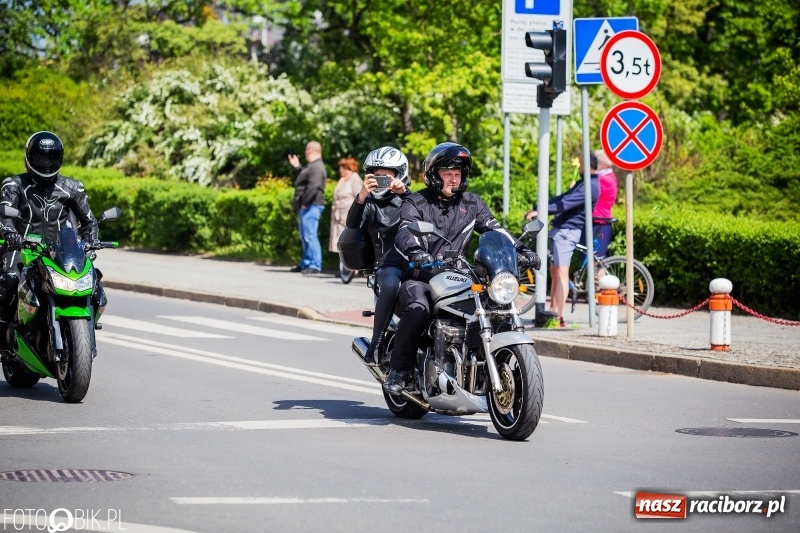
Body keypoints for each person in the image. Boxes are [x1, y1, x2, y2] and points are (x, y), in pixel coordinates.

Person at [384, 142, 540, 394]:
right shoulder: (417, 202)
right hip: (422, 276)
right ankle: (399, 371)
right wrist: (417, 253)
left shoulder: (472, 204)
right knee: (417, 309)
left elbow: (494, 229)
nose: (454, 180)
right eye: (448, 174)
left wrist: (521, 250)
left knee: (494, 307)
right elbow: (404, 231)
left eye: (458, 174)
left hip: (459, 275)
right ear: (434, 175)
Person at [0, 131, 99, 344]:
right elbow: (4, 215)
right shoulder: (14, 184)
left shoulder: (73, 187)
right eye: (41, 157)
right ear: (29, 157)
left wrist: (91, 241)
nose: (46, 162)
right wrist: (11, 234)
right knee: (8, 284)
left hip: (58, 252)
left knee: (95, 283)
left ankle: (81, 331)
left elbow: (90, 222)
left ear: (60, 159)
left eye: (51, 157)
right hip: (22, 248)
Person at [345, 146, 410, 366]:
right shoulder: (370, 204)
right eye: (377, 176)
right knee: (391, 285)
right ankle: (376, 345)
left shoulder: (411, 199)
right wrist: (362, 195)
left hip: (416, 262)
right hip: (387, 265)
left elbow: (428, 216)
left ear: (399, 176)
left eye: (387, 176)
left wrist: (405, 195)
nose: (382, 180)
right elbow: (352, 224)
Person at [525, 152, 599, 328]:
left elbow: (566, 203)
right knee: (555, 272)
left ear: (586, 164)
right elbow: (564, 198)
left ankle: (558, 317)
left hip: (567, 231)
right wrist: (539, 206)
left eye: (580, 162)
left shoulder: (590, 185)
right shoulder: (585, 183)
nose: (578, 166)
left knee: (562, 274)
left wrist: (541, 210)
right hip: (562, 230)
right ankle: (552, 311)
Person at [288, 141, 327, 275]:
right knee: (305, 236)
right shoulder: (312, 166)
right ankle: (306, 263)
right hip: (308, 205)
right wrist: (297, 166)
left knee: (310, 236)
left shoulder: (317, 167)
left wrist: (305, 202)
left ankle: (315, 265)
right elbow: (304, 177)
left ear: (310, 150)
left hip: (311, 205)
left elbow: (313, 187)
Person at [329, 157, 362, 279]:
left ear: (346, 167)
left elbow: (360, 197)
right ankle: (343, 269)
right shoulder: (342, 180)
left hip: (348, 215)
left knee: (348, 242)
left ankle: (352, 269)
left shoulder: (355, 179)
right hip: (338, 216)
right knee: (340, 243)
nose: (339, 170)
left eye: (341, 168)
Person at [586, 149, 618, 258]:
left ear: (603, 164)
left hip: (599, 221)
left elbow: (588, 194)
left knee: (596, 260)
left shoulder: (605, 179)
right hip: (597, 220)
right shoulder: (606, 177)